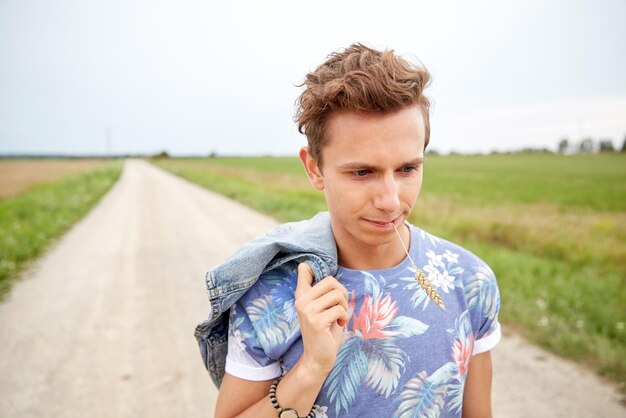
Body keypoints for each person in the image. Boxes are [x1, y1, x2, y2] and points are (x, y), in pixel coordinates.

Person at [211, 43, 501, 418]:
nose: (391, 200)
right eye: (362, 172)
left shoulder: (470, 279)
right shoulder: (269, 295)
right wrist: (311, 368)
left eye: (407, 169)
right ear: (314, 167)